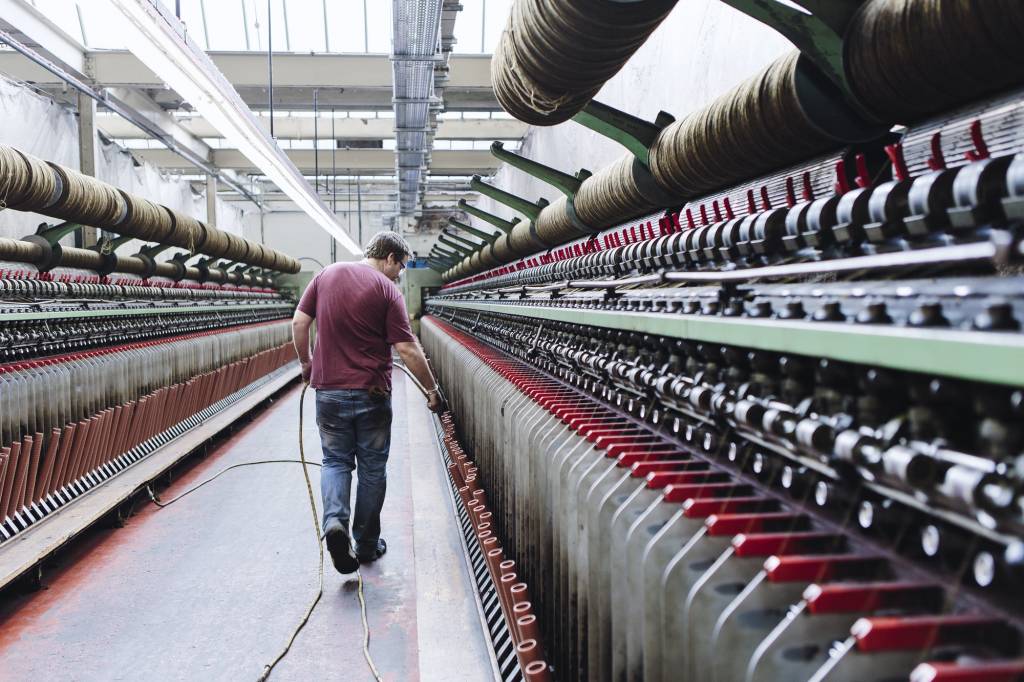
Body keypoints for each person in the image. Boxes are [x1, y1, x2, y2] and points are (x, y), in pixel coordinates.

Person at [291, 231, 443, 574]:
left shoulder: (325, 275)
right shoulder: (387, 290)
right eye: (400, 266)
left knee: (334, 462)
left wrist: (306, 362)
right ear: (389, 257)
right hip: (372, 394)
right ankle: (366, 544)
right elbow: (406, 348)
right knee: (372, 470)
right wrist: (432, 390)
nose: (400, 273)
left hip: (328, 392)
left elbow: (300, 322)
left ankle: (335, 523)